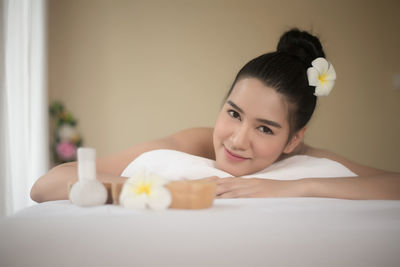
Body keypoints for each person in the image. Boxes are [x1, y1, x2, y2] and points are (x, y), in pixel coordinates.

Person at [31, 28, 400, 203]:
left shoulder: (308, 161)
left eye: (266, 129)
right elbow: (46, 184)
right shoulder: (192, 142)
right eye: (234, 113)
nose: (237, 140)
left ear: (294, 139)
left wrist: (296, 186)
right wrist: (168, 190)